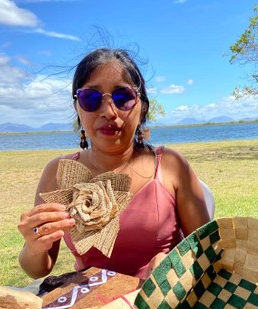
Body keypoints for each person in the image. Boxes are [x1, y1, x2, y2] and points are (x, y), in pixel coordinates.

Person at [18, 48, 210, 281]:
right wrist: (34, 246)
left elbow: (207, 250)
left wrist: (177, 263)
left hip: (162, 308)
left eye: (123, 98)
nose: (109, 112)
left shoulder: (171, 165)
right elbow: (38, 269)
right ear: (77, 108)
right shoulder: (57, 173)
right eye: (91, 99)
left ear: (143, 107)